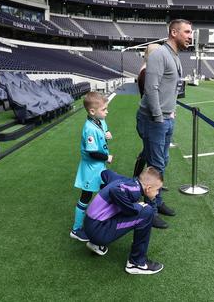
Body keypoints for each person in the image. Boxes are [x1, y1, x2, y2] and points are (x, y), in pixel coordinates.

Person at [136, 19, 193, 229]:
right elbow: (151, 89)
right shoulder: (160, 54)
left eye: (191, 32)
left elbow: (172, 87)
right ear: (174, 32)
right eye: (186, 32)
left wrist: (172, 110)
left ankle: (156, 203)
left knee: (162, 162)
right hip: (153, 120)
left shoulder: (174, 56)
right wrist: (160, 117)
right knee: (155, 166)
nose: (190, 36)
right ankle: (148, 211)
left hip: (165, 118)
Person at [83, 167, 164, 275]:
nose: (158, 193)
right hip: (98, 231)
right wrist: (134, 208)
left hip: (89, 225)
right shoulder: (134, 190)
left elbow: (106, 173)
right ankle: (136, 263)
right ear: (148, 188)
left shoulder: (126, 181)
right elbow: (114, 190)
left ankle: (95, 244)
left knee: (132, 208)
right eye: (157, 189)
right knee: (147, 211)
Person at [70, 92, 113, 242]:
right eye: (104, 109)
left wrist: (107, 132)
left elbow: (104, 126)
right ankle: (76, 229)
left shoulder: (98, 121)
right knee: (86, 197)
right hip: (91, 169)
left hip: (99, 167)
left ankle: (102, 219)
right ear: (92, 111)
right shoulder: (89, 128)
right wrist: (107, 157)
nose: (107, 111)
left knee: (105, 192)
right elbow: (92, 152)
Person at [133, 43, 160, 178]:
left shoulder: (147, 69)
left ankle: (142, 180)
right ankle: (141, 181)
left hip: (147, 116)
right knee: (149, 152)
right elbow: (151, 96)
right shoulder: (146, 72)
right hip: (148, 117)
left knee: (148, 151)